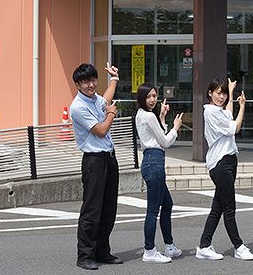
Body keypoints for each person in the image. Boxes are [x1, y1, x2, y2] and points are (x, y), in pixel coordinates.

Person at [69, 62, 124, 270]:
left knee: (109, 207)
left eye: (93, 80)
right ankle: (85, 255)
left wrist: (114, 78)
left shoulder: (94, 100)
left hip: (109, 157)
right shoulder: (78, 107)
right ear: (77, 84)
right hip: (94, 161)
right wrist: (111, 114)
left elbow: (106, 98)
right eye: (86, 82)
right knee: (92, 209)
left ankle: (102, 251)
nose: (91, 85)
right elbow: (100, 130)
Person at [196, 78, 253, 261]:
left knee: (218, 207)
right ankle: (239, 246)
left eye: (223, 93)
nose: (221, 96)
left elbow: (229, 115)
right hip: (220, 164)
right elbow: (235, 127)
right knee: (229, 208)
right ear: (210, 93)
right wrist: (243, 106)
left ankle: (204, 245)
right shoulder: (211, 112)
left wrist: (230, 92)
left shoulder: (219, 111)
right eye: (218, 92)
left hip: (228, 161)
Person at [135, 83, 184, 263]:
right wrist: (176, 127)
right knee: (152, 211)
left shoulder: (142, 115)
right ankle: (149, 250)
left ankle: (169, 246)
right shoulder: (148, 116)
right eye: (148, 96)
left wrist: (162, 117)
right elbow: (164, 142)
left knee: (167, 204)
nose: (153, 99)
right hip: (154, 162)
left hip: (151, 161)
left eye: (154, 96)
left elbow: (156, 136)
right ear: (141, 98)